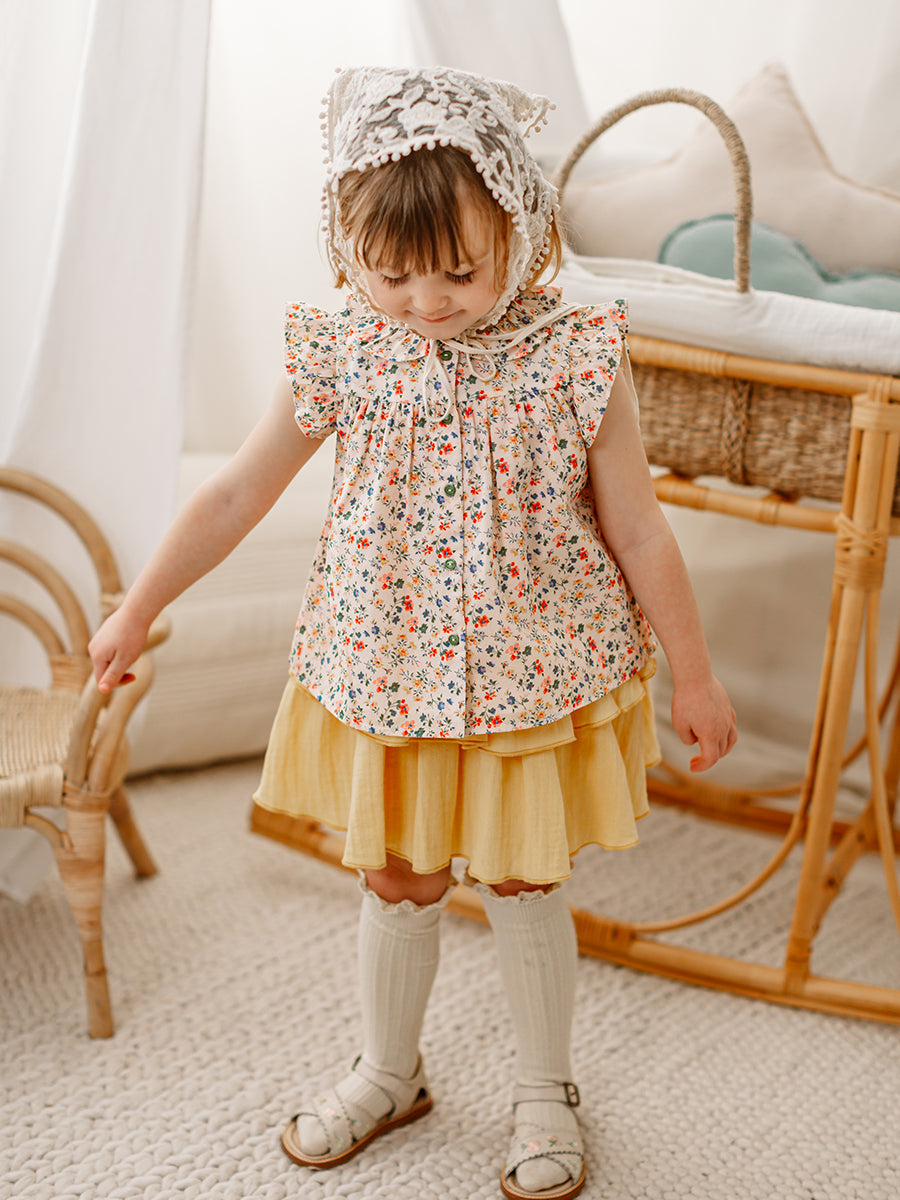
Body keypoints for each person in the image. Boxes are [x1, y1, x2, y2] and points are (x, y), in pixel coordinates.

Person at [90, 66, 736, 1200]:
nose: (427, 303)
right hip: (387, 667)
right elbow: (234, 495)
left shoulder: (577, 352)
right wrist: (138, 607)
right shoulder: (343, 347)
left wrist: (698, 675)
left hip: (535, 669)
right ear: (348, 252)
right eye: (391, 276)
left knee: (525, 878)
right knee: (396, 877)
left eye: (459, 273)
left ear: (519, 234)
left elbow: (639, 528)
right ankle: (391, 1070)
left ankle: (547, 1088)